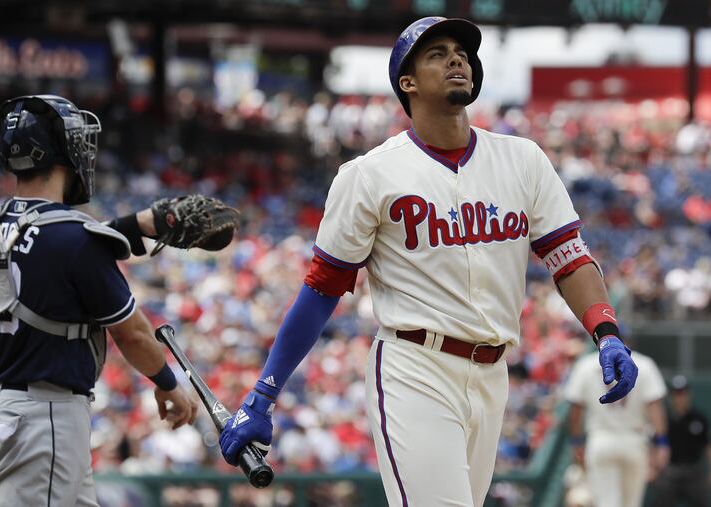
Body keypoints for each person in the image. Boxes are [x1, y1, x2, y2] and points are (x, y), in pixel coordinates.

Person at [218, 17, 639, 506]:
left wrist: (605, 331)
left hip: (493, 372)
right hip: (414, 366)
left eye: (461, 52)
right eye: (437, 53)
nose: (456, 58)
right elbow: (322, 289)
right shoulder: (370, 174)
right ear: (408, 82)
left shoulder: (523, 159)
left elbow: (569, 259)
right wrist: (263, 394)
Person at [0, 95, 202, 507]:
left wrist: (138, 225)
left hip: (23, 407)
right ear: (58, 151)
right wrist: (169, 385)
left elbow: (60, 247)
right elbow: (132, 333)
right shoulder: (74, 238)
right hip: (47, 416)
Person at [565, 345, 668, 507]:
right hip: (634, 440)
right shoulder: (644, 364)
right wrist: (661, 443)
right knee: (631, 504)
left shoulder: (585, 364)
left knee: (606, 502)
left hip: (601, 440)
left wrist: (577, 441)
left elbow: (576, 408)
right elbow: (654, 407)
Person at [652, 374, 710, 507]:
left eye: (683, 394)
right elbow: (654, 444)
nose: (680, 398)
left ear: (688, 395)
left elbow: (707, 446)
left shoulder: (699, 419)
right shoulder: (663, 419)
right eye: (677, 394)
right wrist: (653, 466)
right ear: (671, 396)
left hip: (694, 470)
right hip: (670, 470)